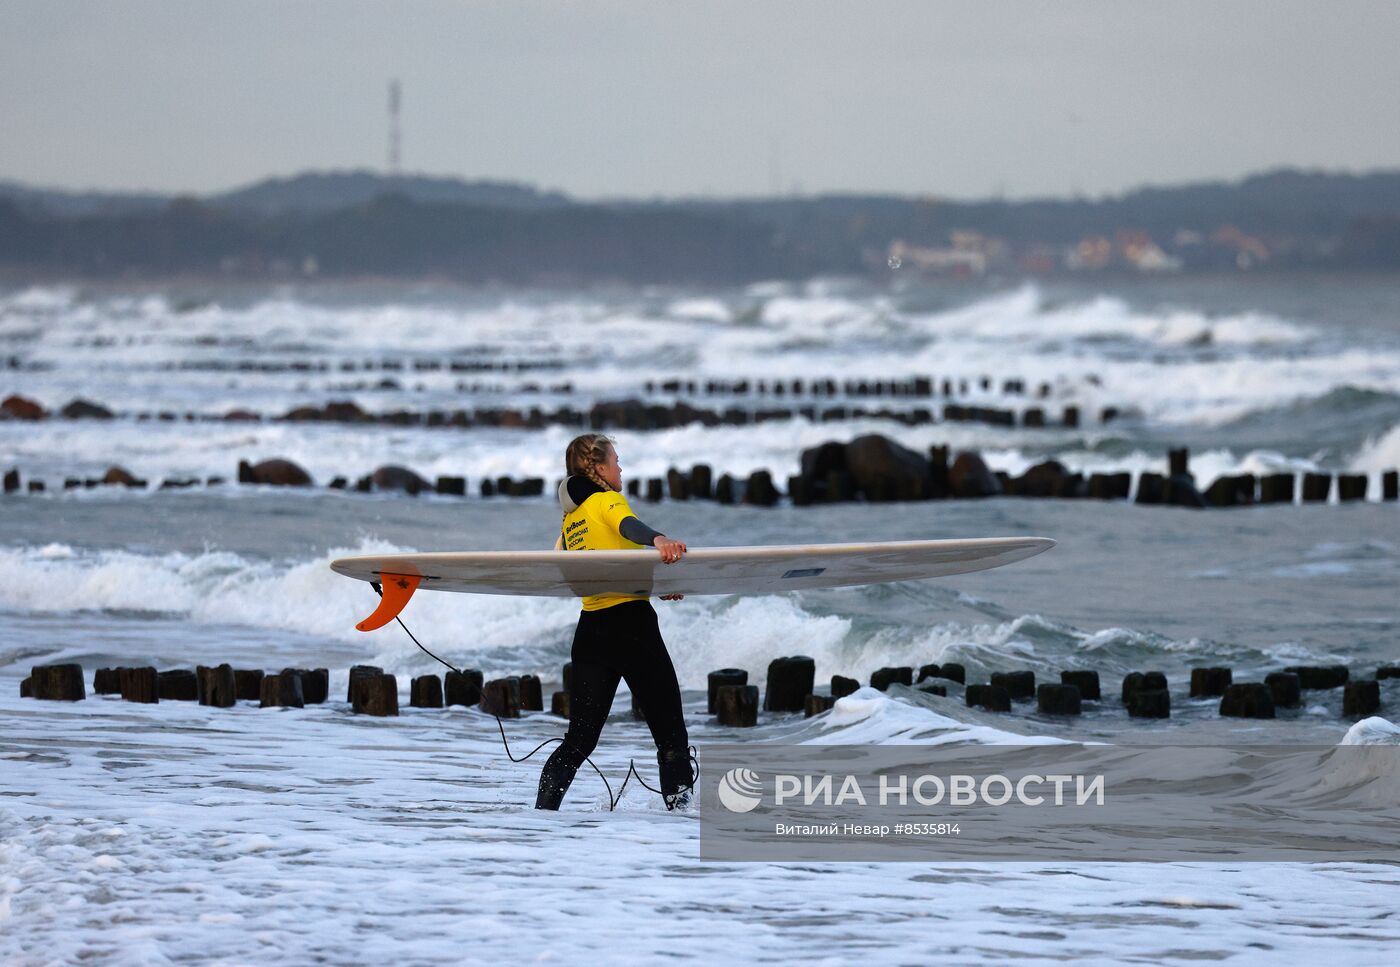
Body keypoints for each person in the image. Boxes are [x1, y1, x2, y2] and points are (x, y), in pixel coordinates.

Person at [535, 433, 696, 810]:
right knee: (671, 738)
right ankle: (682, 823)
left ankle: (540, 817)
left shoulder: (569, 522)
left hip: (592, 633)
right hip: (632, 629)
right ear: (600, 468)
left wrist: (652, 586)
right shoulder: (607, 500)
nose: (621, 468)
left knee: (578, 741)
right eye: (616, 461)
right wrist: (658, 539)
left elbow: (588, 572)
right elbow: (627, 526)